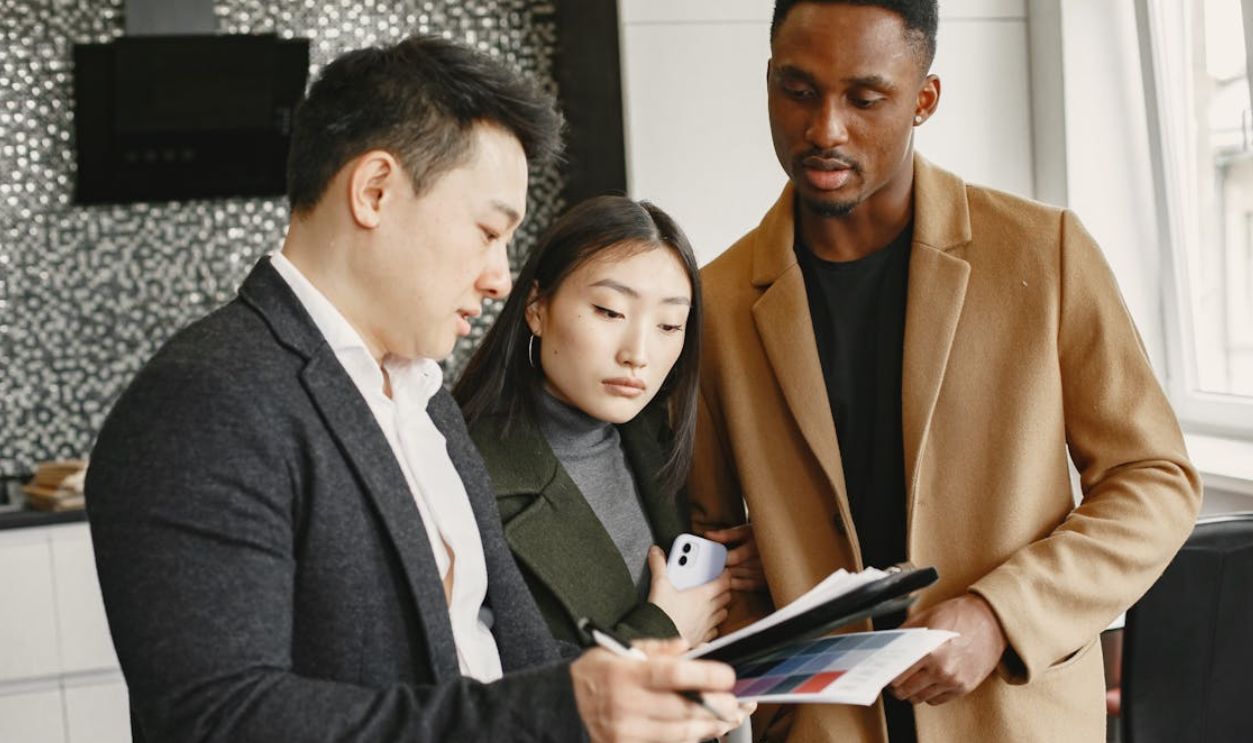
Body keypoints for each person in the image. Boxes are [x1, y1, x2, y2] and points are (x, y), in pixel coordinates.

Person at [86, 34, 746, 743]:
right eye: (488, 231)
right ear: (374, 191)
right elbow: (218, 720)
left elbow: (504, 658)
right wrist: (570, 710)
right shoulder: (207, 400)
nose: (500, 276)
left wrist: (657, 694)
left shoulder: (424, 398)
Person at [687, 2, 1203, 742]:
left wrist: (1002, 612)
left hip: (1013, 715)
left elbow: (1154, 479)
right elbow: (709, 543)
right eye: (798, 91)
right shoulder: (717, 301)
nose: (824, 129)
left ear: (923, 99)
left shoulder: (1042, 253)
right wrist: (774, 713)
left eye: (864, 97)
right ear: (768, 82)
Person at [455, 195, 762, 650]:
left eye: (669, 325)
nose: (637, 354)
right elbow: (494, 693)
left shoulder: (669, 441)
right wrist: (660, 631)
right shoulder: (466, 475)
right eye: (610, 311)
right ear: (537, 306)